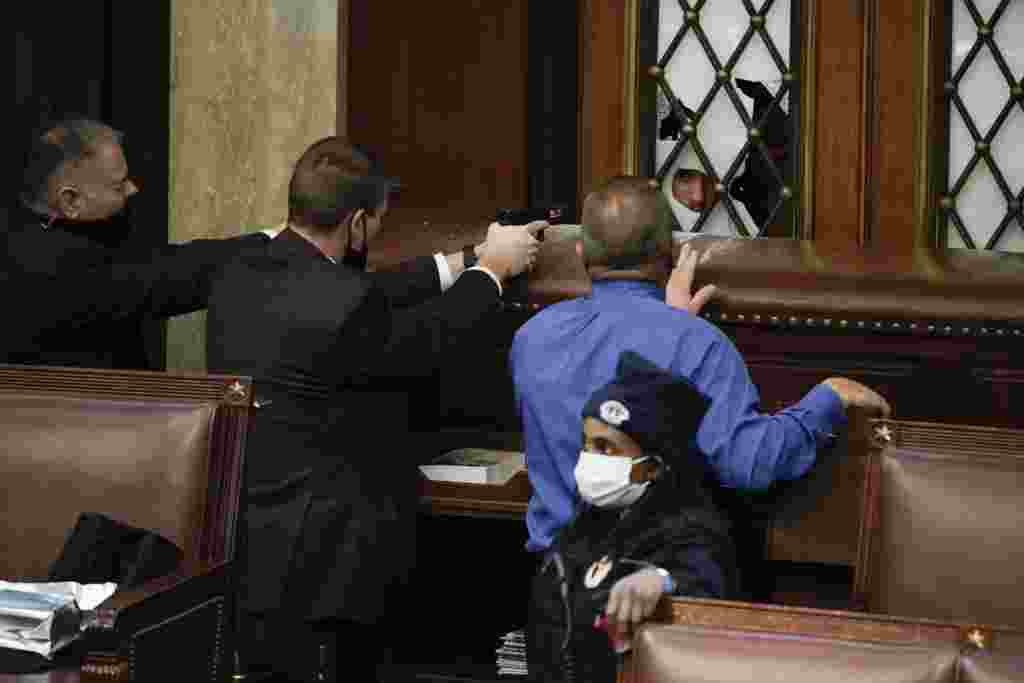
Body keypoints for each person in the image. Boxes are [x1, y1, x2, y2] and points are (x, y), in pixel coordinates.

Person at [204, 136, 542, 682]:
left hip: (250, 534)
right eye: (379, 221)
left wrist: (466, 261)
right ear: (358, 222)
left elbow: (353, 293)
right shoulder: (346, 304)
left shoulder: (240, 273)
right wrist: (492, 275)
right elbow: (424, 343)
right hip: (326, 556)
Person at [510, 176, 891, 585]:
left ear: (580, 251)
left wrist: (672, 327)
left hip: (556, 586)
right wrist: (828, 398)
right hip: (654, 588)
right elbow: (749, 464)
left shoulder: (532, 338)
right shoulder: (698, 346)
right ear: (671, 252)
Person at [527, 350, 739, 683]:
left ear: (653, 466)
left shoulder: (693, 528)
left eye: (606, 448)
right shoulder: (588, 522)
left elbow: (705, 582)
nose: (589, 460)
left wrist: (661, 581)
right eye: (587, 445)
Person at [3, 115, 268, 368]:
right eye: (118, 186)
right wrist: (277, 239)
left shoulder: (25, 236)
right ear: (71, 201)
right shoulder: (63, 266)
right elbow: (173, 273)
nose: (133, 189)